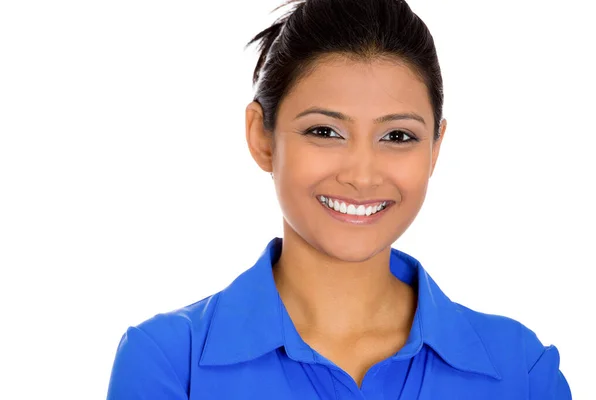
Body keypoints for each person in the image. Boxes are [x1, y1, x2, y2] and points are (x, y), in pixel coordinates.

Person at [106, 0, 571, 398]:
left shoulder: (522, 372)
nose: (361, 175)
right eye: (324, 131)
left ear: (436, 148)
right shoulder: (169, 363)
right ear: (262, 138)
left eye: (397, 135)